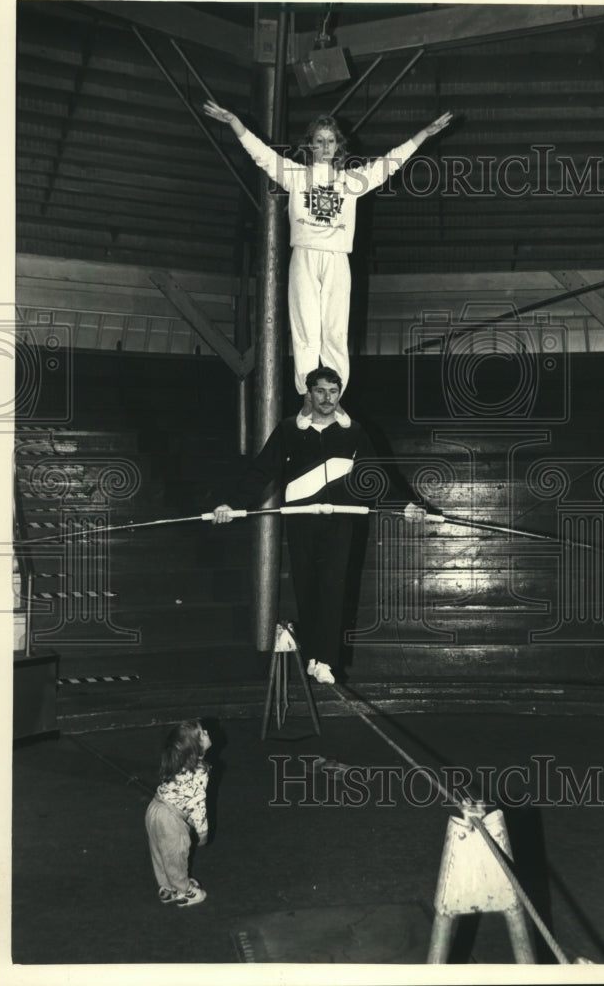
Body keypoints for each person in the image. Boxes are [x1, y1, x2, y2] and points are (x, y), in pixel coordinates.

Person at [202, 99, 452, 417]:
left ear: (338, 146)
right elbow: (262, 156)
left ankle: (334, 401)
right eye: (318, 140)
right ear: (310, 145)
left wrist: (423, 135)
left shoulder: (351, 181)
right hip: (304, 257)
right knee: (305, 330)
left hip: (337, 259)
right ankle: (309, 400)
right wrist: (235, 122)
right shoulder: (295, 175)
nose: (324, 146)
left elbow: (390, 163)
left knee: (335, 331)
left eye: (330, 140)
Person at [211, 366, 424, 682]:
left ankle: (325, 659)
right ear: (308, 393)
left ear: (340, 394)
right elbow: (261, 471)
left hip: (341, 520)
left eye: (333, 391)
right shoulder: (288, 430)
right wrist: (232, 504)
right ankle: (313, 655)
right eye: (321, 391)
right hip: (301, 521)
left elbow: (375, 477)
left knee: (332, 586)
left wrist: (404, 504)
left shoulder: (354, 432)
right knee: (307, 587)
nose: (328, 398)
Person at [145, 719, 212, 906]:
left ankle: (167, 888)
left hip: (154, 808)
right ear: (195, 747)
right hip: (170, 818)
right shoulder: (199, 772)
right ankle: (185, 891)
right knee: (176, 855)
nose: (207, 732)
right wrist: (203, 832)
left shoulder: (177, 761)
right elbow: (198, 804)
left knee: (160, 852)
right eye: (202, 733)